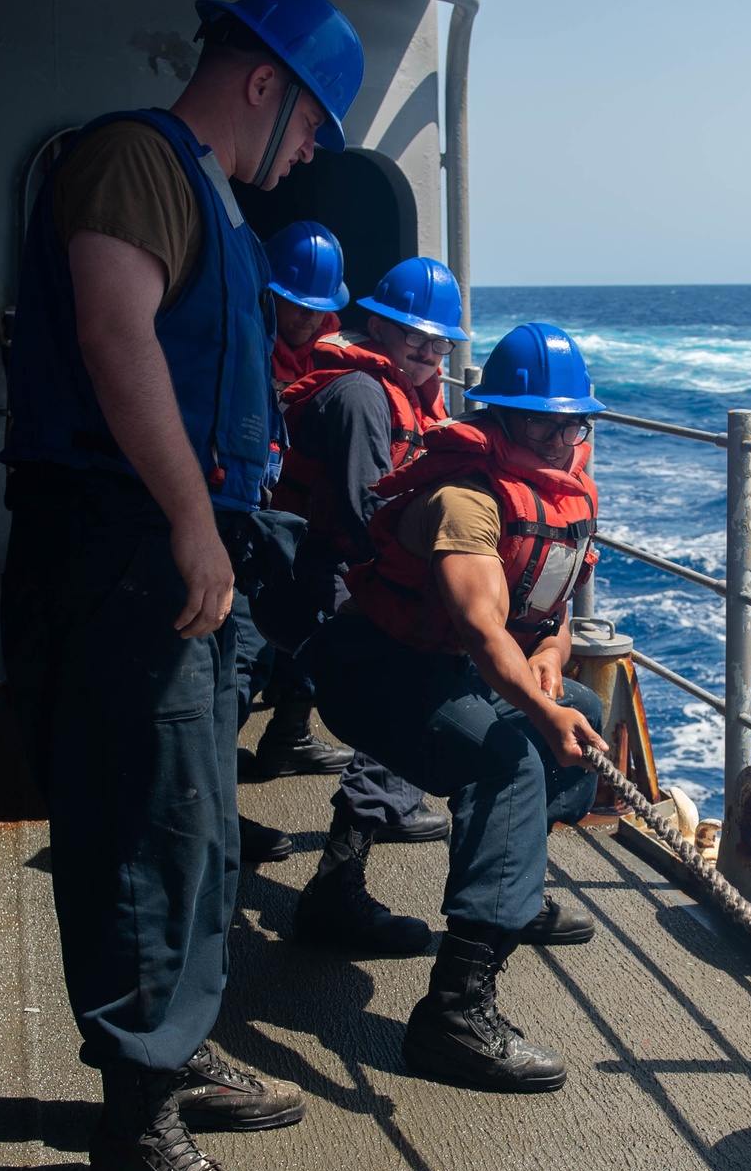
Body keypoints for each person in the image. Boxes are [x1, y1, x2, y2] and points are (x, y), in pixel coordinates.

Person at [0, 0, 364, 1171]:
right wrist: (194, 520)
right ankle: (134, 1123)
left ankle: (178, 1044)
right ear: (264, 85)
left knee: (198, 823)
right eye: (313, 123)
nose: (311, 154)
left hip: (174, 557)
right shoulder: (134, 158)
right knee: (142, 832)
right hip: (123, 551)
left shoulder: (213, 195)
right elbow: (116, 331)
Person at [304, 323, 609, 1091]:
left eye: (570, 422)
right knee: (505, 758)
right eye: (539, 419)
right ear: (500, 418)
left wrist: (550, 659)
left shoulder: (553, 495)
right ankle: (455, 1014)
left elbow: (551, 607)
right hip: (378, 670)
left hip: (448, 669)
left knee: (578, 709)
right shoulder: (466, 499)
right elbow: (478, 626)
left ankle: (514, 884)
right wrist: (535, 711)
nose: (557, 436)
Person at [272, 258, 466, 956]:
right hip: (312, 573)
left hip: (341, 565)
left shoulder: (406, 394)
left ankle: (389, 803)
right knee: (410, 675)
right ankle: (338, 883)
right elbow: (362, 513)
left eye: (438, 343)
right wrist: (422, 589)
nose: (426, 352)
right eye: (413, 336)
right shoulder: (359, 394)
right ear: (376, 324)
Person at [233, 220, 353, 867]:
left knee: (319, 611)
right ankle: (210, 814)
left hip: (299, 519)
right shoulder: (242, 345)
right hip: (244, 522)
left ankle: (289, 736)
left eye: (319, 310)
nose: (307, 322)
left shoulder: (331, 356)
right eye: (295, 306)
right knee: (234, 663)